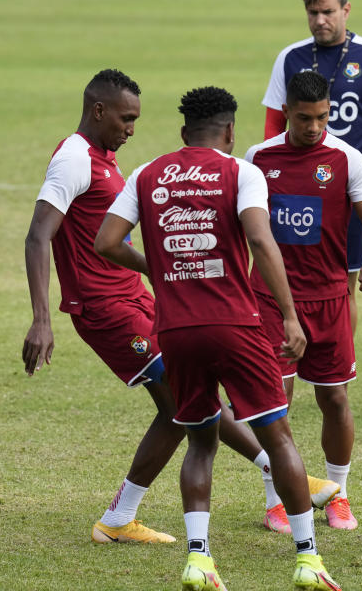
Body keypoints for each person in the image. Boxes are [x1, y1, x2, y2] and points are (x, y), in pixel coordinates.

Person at [22, 69, 338, 544]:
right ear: (98, 110)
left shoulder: (106, 160)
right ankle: (278, 472)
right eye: (126, 119)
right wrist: (42, 319)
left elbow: (109, 237)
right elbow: (37, 234)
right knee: (186, 400)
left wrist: (151, 268)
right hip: (104, 306)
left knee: (180, 406)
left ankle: (118, 520)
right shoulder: (72, 159)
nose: (131, 129)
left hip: (137, 297)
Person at [95, 85, 341, 591]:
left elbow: (106, 242)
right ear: (230, 131)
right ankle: (308, 560)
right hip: (236, 325)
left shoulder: (147, 174)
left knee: (200, 442)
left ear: (184, 132)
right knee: (278, 435)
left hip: (176, 330)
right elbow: (258, 237)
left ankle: (199, 560)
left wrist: (159, 271)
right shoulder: (241, 172)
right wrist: (291, 317)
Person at [247, 71, 362, 531]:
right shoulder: (257, 159)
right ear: (285, 111)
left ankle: (339, 494)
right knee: (276, 402)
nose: (314, 127)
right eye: (304, 118)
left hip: (329, 298)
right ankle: (277, 500)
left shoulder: (346, 158)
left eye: (322, 117)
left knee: (334, 399)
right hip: (271, 297)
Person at [262, 0, 362, 335]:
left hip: (351, 192)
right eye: (312, 13)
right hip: (296, 192)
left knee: (343, 287)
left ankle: (336, 368)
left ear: (346, 10)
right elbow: (272, 126)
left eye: (327, 12)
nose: (320, 21)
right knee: (287, 282)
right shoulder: (290, 57)